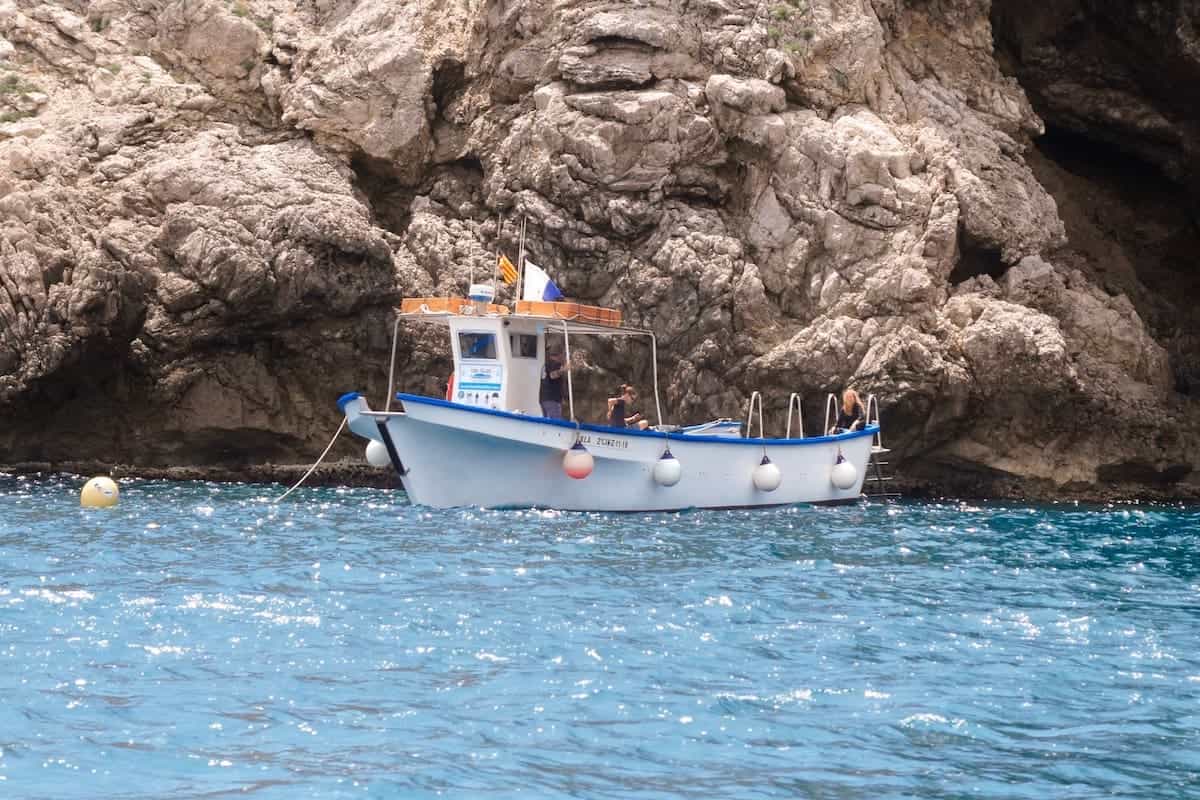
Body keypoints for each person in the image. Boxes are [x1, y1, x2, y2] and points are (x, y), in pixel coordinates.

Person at [539, 347, 568, 419]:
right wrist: (564, 370)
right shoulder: (555, 364)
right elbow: (552, 375)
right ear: (559, 355)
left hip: (544, 399)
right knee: (555, 424)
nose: (564, 358)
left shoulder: (546, 365)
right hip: (552, 400)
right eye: (564, 356)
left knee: (548, 423)